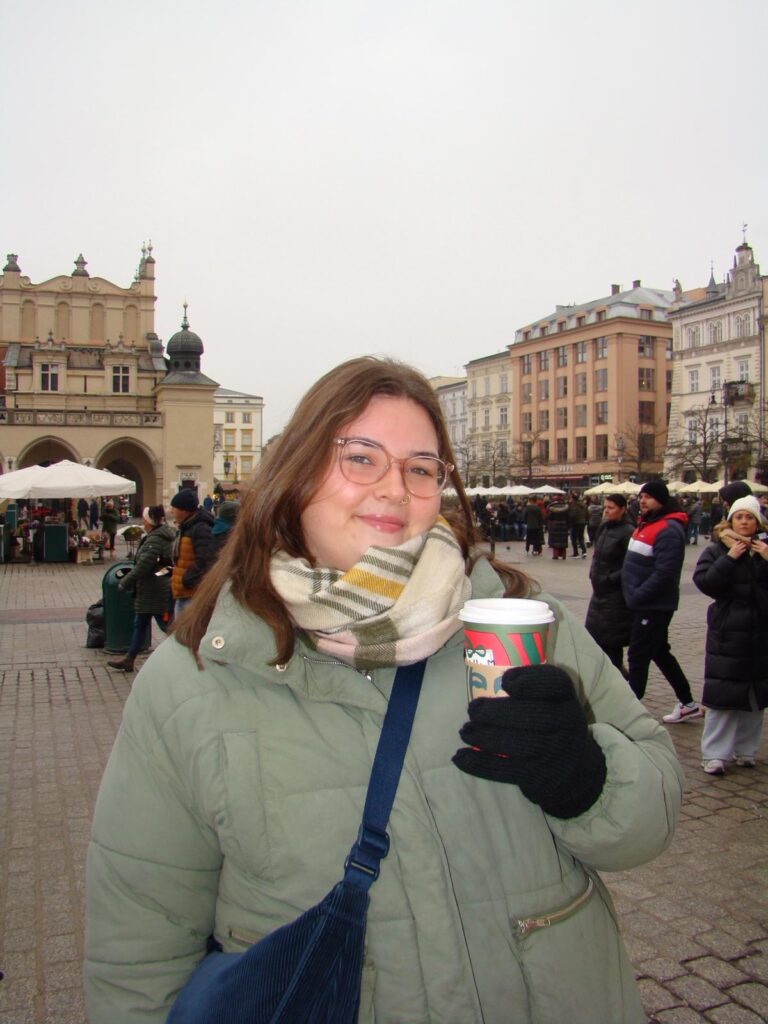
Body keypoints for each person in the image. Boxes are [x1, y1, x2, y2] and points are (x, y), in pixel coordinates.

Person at [84, 357, 683, 1024]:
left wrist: (590, 781)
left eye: (421, 467)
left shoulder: (521, 618)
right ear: (298, 473)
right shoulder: (198, 677)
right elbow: (138, 946)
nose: (396, 490)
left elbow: (651, 814)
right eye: (362, 458)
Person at [693, 496, 768, 775]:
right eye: (740, 517)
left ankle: (746, 750)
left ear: (758, 521)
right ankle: (714, 754)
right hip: (727, 630)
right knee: (722, 693)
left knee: (754, 695)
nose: (745, 522)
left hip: (759, 631)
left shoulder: (764, 548)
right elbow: (706, 583)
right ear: (731, 519)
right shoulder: (717, 549)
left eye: (750, 517)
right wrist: (730, 559)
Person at [622, 480, 702, 722]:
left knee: (638, 654)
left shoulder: (668, 529)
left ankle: (630, 709)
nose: (642, 501)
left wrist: (638, 594)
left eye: (648, 497)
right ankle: (688, 703)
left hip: (653, 605)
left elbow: (665, 573)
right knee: (659, 652)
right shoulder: (648, 523)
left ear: (661, 500)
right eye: (641, 496)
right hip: (644, 602)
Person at [107, 506, 175, 673]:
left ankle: (188, 653)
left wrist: (125, 582)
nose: (143, 522)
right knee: (140, 624)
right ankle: (129, 659)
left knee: (166, 625)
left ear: (149, 521)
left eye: (145, 518)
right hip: (152, 588)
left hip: (155, 589)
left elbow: (144, 565)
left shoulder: (155, 539)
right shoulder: (158, 536)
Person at [585, 494, 634, 677]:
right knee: (596, 640)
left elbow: (631, 565)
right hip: (599, 593)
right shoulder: (604, 527)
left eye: (611, 507)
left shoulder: (628, 531)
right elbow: (597, 556)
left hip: (615, 597)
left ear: (622, 509)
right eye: (605, 507)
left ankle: (618, 680)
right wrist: (593, 573)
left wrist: (611, 578)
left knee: (612, 643)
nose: (606, 511)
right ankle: (607, 677)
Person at [169, 488, 215, 617]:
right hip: (183, 594)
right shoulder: (187, 527)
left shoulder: (200, 529)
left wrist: (187, 579)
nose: (171, 511)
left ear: (184, 510)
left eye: (174, 508)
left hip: (192, 595)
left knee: (186, 635)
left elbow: (206, 559)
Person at [545, 494, 569, 559]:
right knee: (563, 541)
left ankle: (555, 555)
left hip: (555, 525)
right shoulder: (566, 507)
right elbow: (568, 517)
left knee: (555, 541)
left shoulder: (552, 507)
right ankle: (563, 555)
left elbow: (550, 517)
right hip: (564, 524)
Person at [568, 492, 588, 557]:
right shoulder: (583, 505)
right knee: (580, 537)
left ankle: (575, 552)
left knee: (573, 538)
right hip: (583, 522)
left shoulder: (573, 505)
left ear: (572, 498)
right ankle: (584, 551)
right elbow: (587, 513)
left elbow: (573, 515)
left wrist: (570, 521)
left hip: (576, 523)